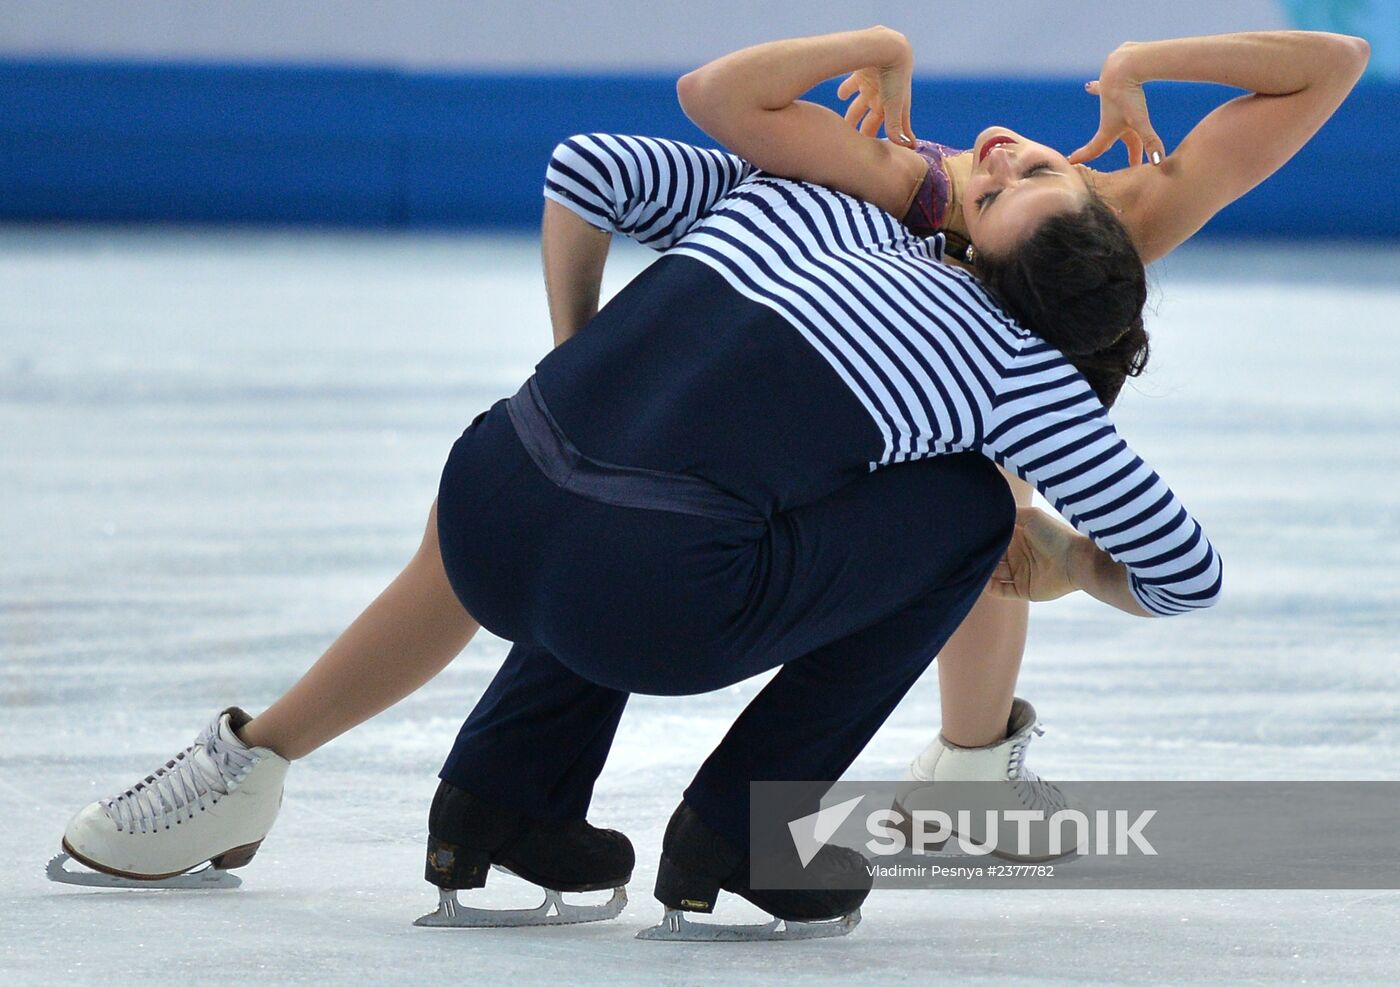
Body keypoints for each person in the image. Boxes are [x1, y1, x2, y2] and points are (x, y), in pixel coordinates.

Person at [51, 24, 1312, 938]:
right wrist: (1055, 558)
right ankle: (756, 828)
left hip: (491, 488)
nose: (994, 154)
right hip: (638, 594)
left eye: (1024, 180)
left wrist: (576, 363)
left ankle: (490, 800)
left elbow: (589, 165)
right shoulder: (1021, 368)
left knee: (684, 488)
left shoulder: (814, 189)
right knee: (965, 507)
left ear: (990, 237)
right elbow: (1182, 574)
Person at [667, 25, 1368, 824]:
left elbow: (1337, 62)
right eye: (1027, 174)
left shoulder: (988, 199)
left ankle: (968, 765)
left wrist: (1139, 63)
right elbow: (709, 96)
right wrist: (885, 43)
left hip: (778, 442)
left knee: (986, 504)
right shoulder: (955, 189)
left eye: (1020, 179)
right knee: (982, 505)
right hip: (804, 419)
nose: (1003, 156)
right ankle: (964, 765)